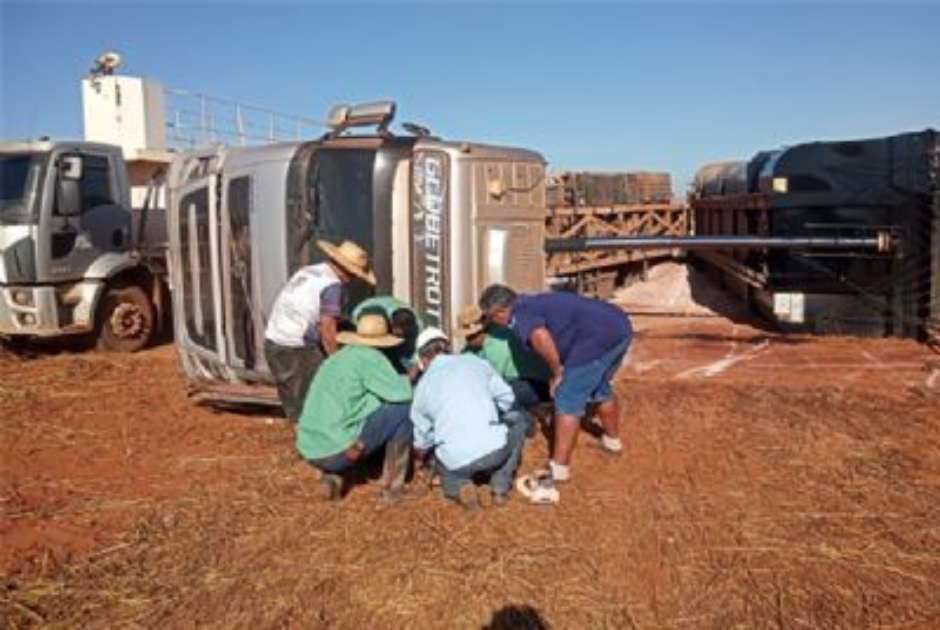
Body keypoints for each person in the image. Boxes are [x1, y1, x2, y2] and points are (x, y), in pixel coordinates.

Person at [478, 284, 632, 483]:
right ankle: (612, 441)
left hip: (595, 337)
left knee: (566, 397)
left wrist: (557, 371)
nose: (492, 322)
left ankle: (558, 468)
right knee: (597, 385)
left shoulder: (518, 315)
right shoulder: (526, 300)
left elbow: (540, 336)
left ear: (501, 311)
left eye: (491, 317)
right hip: (618, 325)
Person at [410, 327, 530, 512]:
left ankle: (460, 488)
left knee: (449, 477)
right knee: (518, 422)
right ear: (448, 348)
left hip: (457, 461)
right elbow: (507, 398)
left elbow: (422, 442)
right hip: (495, 449)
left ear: (422, 359)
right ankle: (500, 486)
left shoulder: (421, 388)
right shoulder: (476, 362)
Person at [296, 314, 413, 502]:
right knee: (404, 410)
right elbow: (401, 394)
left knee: (344, 417)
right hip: (340, 451)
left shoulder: (338, 358)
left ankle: (332, 476)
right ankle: (393, 487)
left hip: (311, 448)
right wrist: (412, 376)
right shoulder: (371, 357)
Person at [263, 239, 376, 424]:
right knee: (315, 395)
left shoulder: (310, 271)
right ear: (348, 270)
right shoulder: (332, 286)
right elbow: (327, 327)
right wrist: (336, 360)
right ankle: (318, 442)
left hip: (274, 339)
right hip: (296, 347)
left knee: (293, 399)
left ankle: (302, 438)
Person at [455, 304, 551, 409]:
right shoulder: (478, 346)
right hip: (519, 382)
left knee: (495, 396)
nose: (468, 340)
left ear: (480, 332)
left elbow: (495, 378)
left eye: (470, 336)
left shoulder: (497, 341)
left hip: (532, 385)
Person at [352, 295, 424, 375]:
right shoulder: (369, 314)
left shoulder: (417, 335)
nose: (394, 336)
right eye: (394, 331)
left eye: (398, 335)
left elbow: (414, 363)